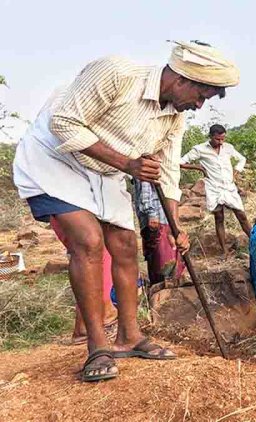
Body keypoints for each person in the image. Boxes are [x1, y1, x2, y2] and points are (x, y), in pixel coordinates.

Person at [12, 40, 239, 382]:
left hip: (105, 170)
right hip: (54, 160)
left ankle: (129, 337)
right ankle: (97, 347)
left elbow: (167, 174)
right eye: (201, 96)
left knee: (124, 248)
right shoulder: (117, 73)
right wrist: (128, 164)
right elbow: (64, 123)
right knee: (88, 242)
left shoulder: (173, 118)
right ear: (183, 80)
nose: (198, 105)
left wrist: (175, 225)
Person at [180, 124, 251, 257]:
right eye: (218, 139)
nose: (220, 142)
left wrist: (236, 171)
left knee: (241, 216)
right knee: (219, 218)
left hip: (229, 187)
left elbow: (242, 159)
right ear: (211, 137)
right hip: (214, 187)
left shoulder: (228, 148)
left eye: (223, 139)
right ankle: (225, 251)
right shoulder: (200, 149)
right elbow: (180, 162)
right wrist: (199, 168)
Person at [50, 218, 118, 345]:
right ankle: (102, 317)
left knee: (90, 252)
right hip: (72, 206)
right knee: (94, 252)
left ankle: (88, 324)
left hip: (65, 208)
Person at [132, 180, 185, 288]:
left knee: (162, 254)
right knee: (161, 255)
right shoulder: (146, 164)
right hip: (157, 216)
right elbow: (145, 183)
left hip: (158, 215)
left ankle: (166, 288)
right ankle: (163, 290)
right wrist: (151, 213)